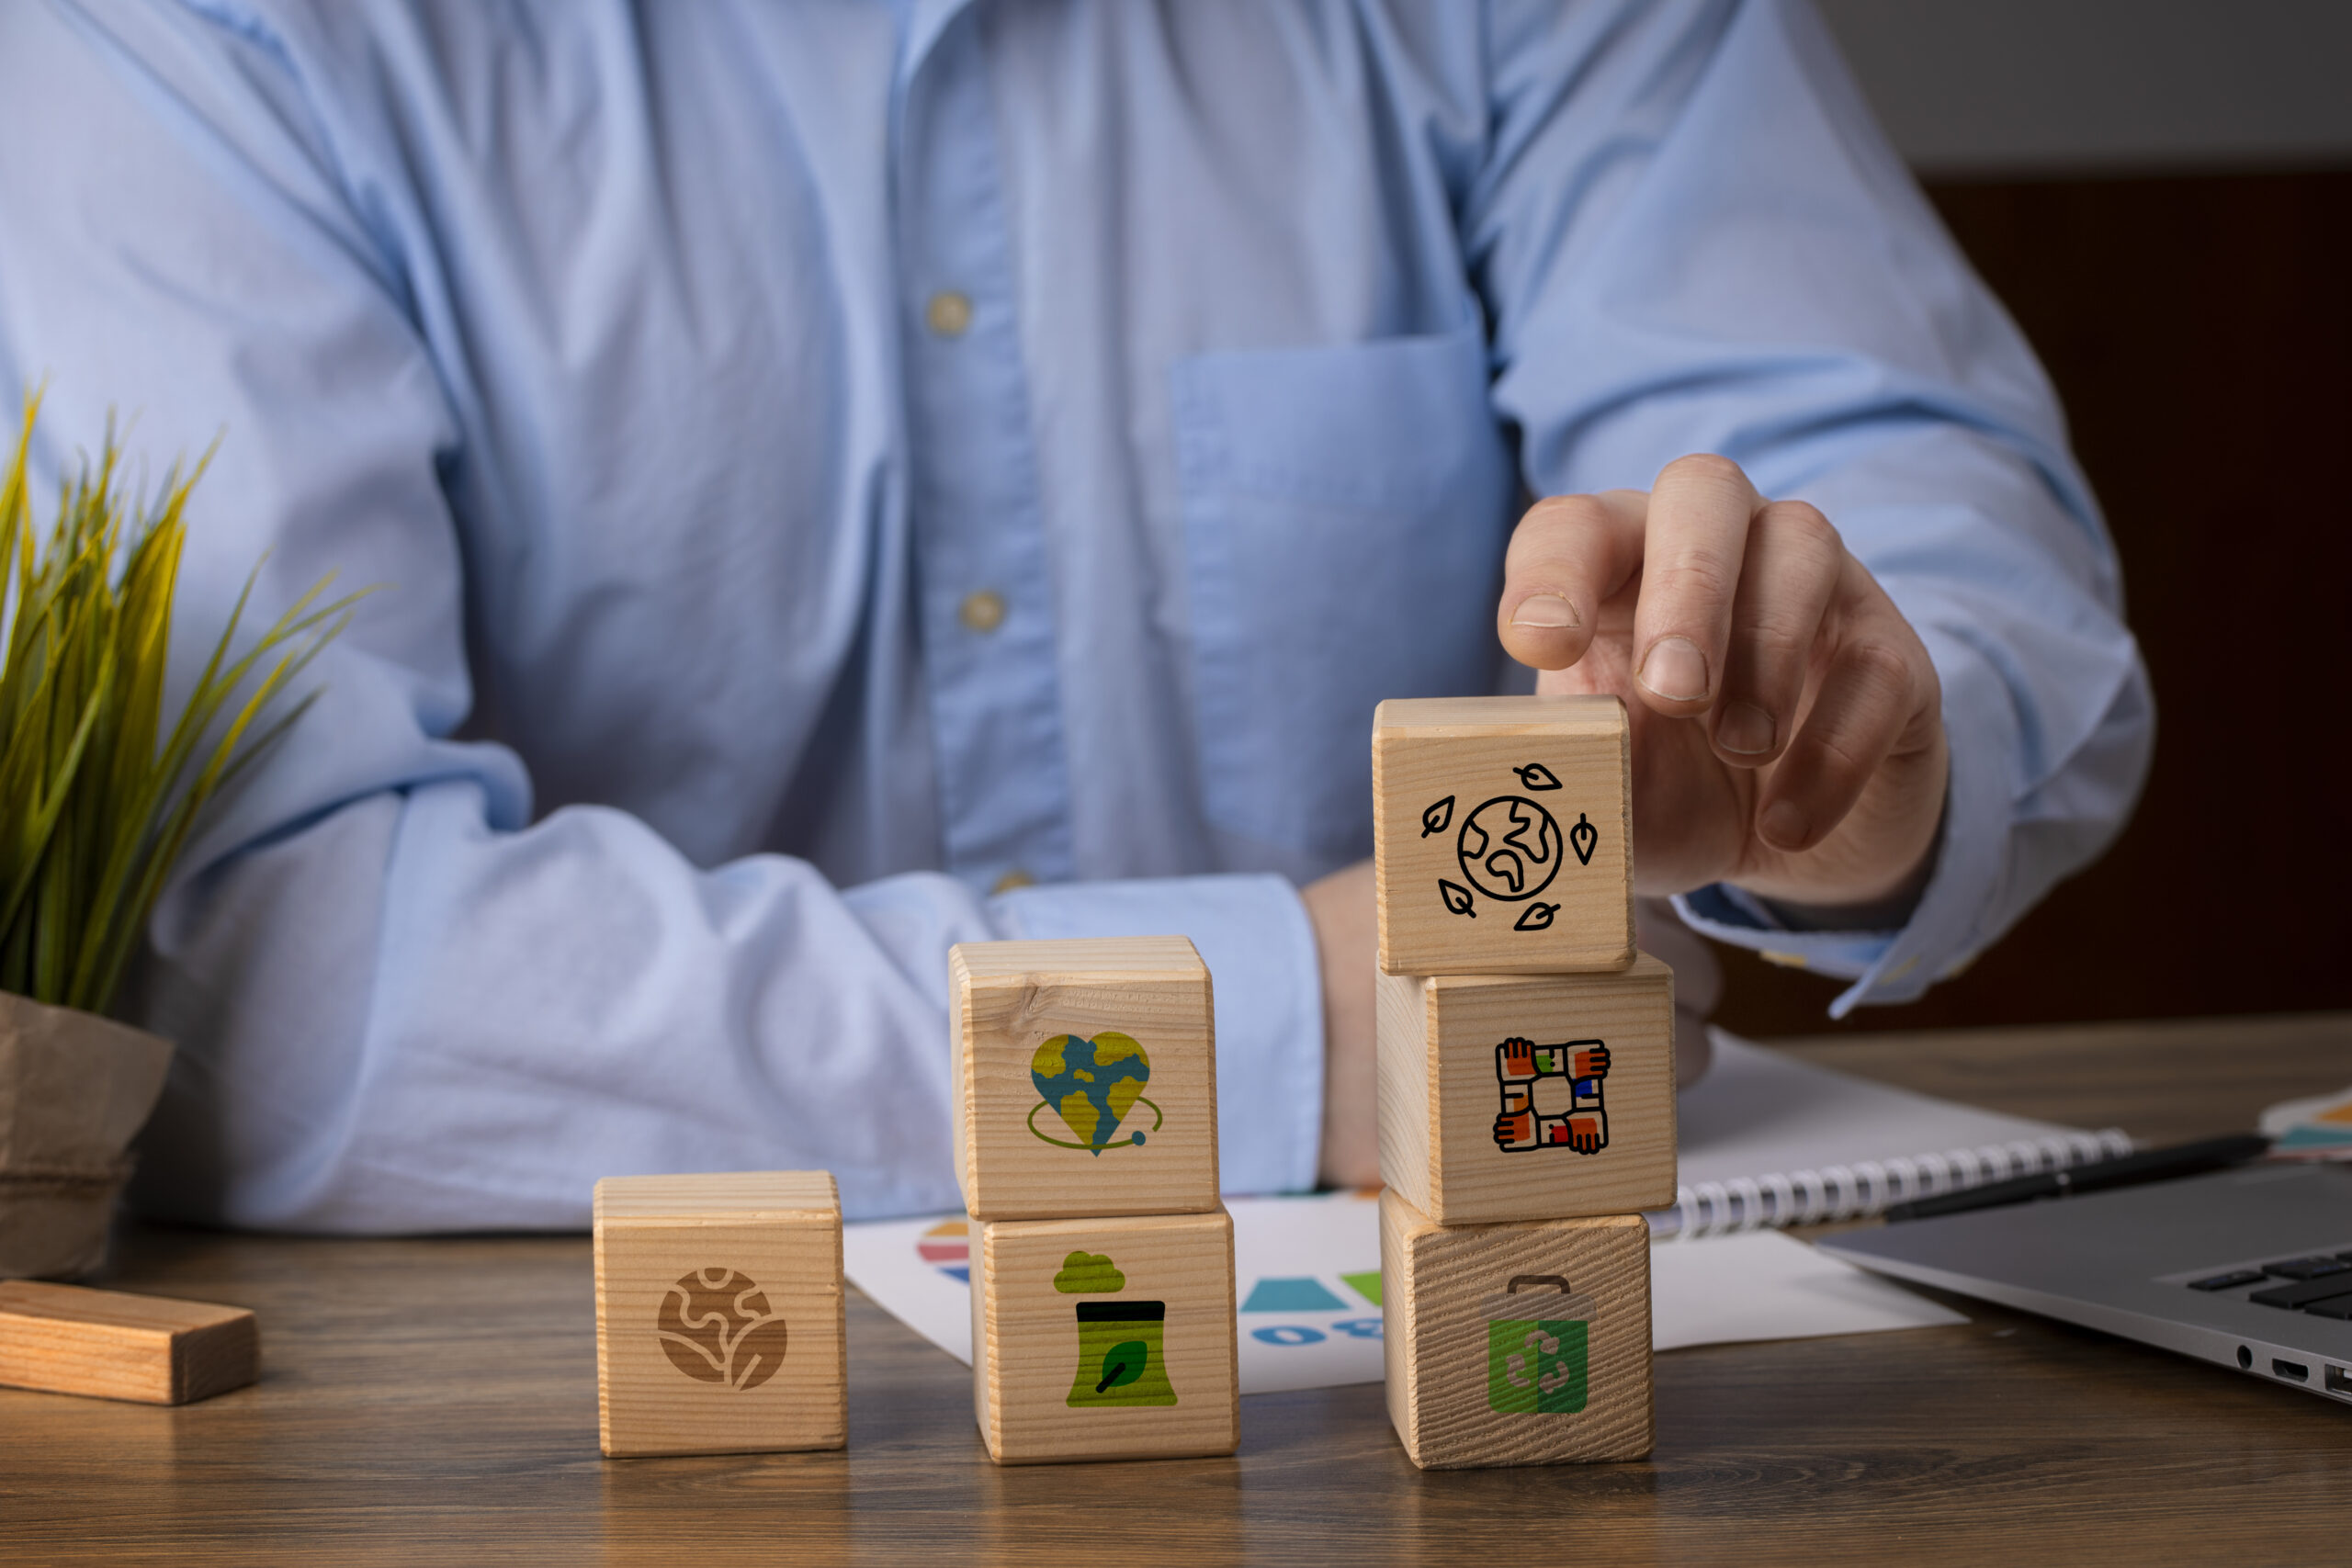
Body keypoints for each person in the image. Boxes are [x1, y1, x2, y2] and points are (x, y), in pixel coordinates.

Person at [0, 0, 2150, 1231]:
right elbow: (264, 967)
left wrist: (1854, 754)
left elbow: (1929, 531)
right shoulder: (188, 37)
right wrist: (1280, 1037)